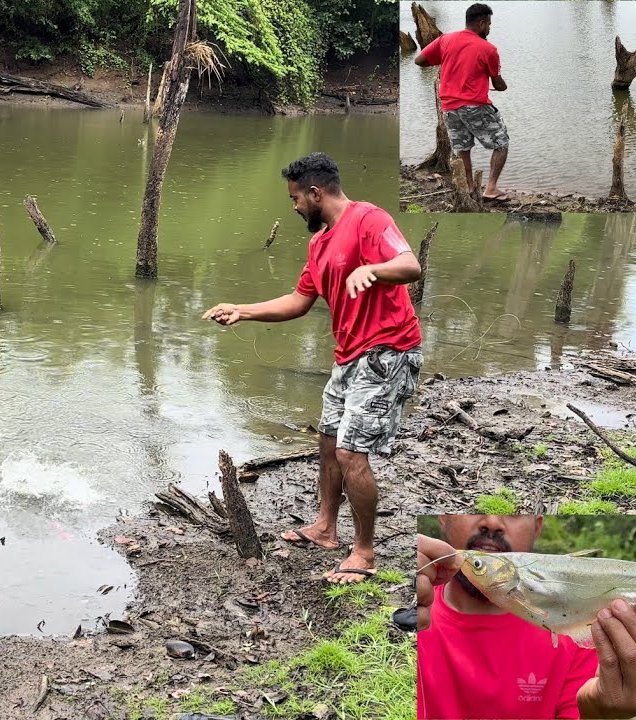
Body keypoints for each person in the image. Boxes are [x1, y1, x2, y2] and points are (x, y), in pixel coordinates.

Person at [202, 152, 423, 584]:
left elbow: (410, 265)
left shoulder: (368, 220)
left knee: (350, 451)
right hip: (350, 355)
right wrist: (241, 311)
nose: (295, 207)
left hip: (389, 351)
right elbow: (299, 301)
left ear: (316, 192)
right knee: (327, 441)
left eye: (296, 199)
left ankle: (364, 553)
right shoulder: (319, 243)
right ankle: (325, 528)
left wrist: (373, 270)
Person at [417, 516, 636, 719]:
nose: (492, 522)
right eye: (472, 509)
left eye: (514, 513)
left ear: (538, 526)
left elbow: (588, 707)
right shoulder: (415, 610)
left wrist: (598, 712)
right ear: (443, 517)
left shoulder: (580, 630)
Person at [414, 3, 510, 203]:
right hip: (474, 105)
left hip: (449, 107)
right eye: (489, 24)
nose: (490, 29)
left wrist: (449, 62)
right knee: (501, 142)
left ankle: (468, 186)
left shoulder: (446, 39)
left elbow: (419, 60)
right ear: (481, 23)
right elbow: (497, 82)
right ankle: (491, 188)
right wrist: (502, 87)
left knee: (463, 147)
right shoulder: (488, 49)